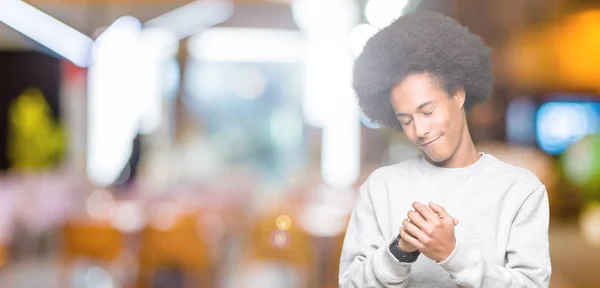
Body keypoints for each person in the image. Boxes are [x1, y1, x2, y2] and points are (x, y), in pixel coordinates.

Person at [339, 11, 551, 287]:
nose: (420, 130)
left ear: (458, 94)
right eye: (406, 120)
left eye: (427, 111)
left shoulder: (520, 190)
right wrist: (399, 252)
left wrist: (452, 255)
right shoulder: (381, 188)